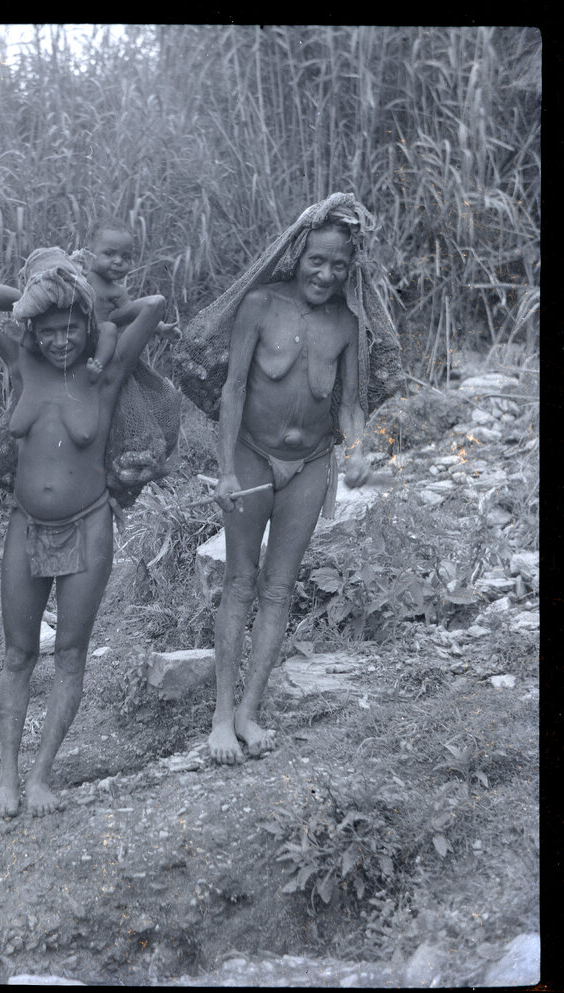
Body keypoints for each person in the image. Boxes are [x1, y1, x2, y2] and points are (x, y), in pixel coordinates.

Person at [0, 248, 165, 817]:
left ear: (87, 326)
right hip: (26, 525)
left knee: (71, 652)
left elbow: (152, 305)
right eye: (49, 329)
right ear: (34, 329)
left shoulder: (104, 374)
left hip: (88, 523)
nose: (61, 341)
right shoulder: (21, 365)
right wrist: (43, 292)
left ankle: (40, 777)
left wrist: (87, 300)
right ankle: (7, 779)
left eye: (71, 328)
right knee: (17, 653)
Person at [207, 217, 372, 765]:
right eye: (316, 261)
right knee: (240, 581)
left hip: (311, 464)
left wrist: (357, 450)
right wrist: (226, 471)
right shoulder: (260, 305)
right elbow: (233, 389)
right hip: (252, 455)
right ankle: (220, 717)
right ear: (297, 256)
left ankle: (248, 714)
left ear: (350, 270)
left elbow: (349, 403)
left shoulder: (347, 322)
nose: (325, 274)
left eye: (338, 265)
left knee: (278, 588)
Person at [79, 221, 180, 381]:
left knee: (109, 328)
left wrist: (159, 327)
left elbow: (132, 312)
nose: (119, 261)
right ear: (89, 255)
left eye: (126, 257)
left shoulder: (117, 292)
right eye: (109, 253)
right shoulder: (82, 277)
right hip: (76, 334)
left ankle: (97, 366)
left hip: (99, 340)